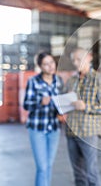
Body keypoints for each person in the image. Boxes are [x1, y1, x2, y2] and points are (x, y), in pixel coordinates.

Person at [64, 47, 101, 186]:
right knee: (78, 173)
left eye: (79, 59)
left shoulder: (99, 79)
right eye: (74, 60)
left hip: (88, 131)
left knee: (91, 171)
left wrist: (85, 106)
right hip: (71, 131)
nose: (76, 63)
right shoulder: (71, 81)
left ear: (89, 57)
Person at [23, 52, 64, 186]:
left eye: (51, 62)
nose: (50, 66)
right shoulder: (33, 81)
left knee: (48, 166)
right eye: (46, 64)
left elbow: (62, 103)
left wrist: (63, 112)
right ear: (40, 66)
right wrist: (40, 102)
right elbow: (26, 104)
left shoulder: (59, 81)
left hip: (54, 129)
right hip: (37, 129)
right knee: (42, 167)